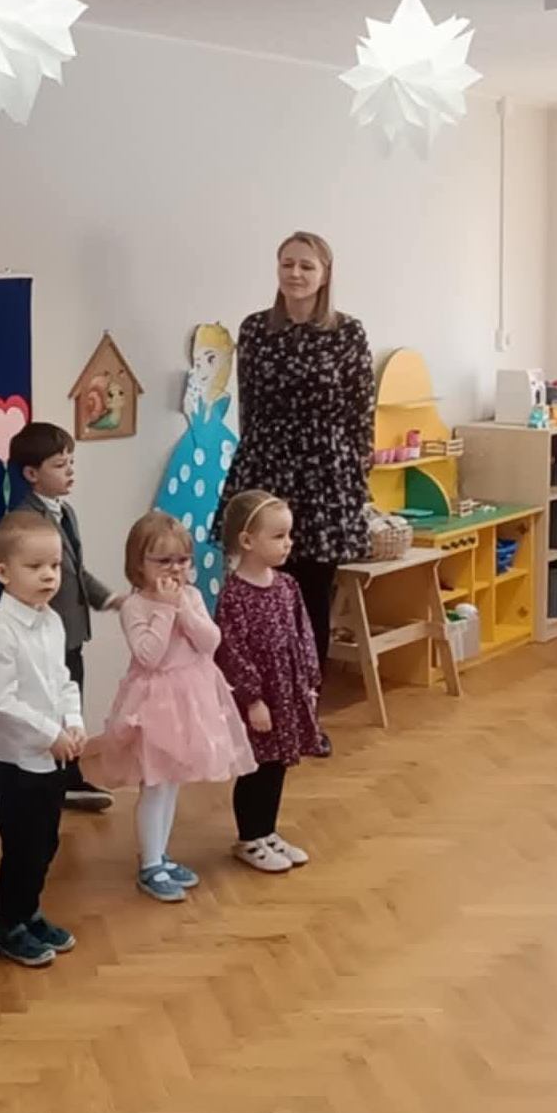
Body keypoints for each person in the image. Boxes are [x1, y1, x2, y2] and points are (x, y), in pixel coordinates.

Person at [216, 231, 375, 756]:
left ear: (325, 274)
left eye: (307, 266)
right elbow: (249, 406)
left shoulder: (347, 332)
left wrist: (355, 480)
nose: (296, 273)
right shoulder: (255, 329)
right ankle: (255, 710)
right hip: (268, 464)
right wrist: (249, 477)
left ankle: (307, 714)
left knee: (310, 599)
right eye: (287, 264)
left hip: (326, 474)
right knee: (256, 590)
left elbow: (361, 413)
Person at [99, 512, 255, 902]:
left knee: (172, 785)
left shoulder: (192, 597)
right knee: (155, 785)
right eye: (163, 560)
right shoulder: (136, 606)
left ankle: (160, 855)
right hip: (155, 705)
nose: (175, 568)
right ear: (139, 564)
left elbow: (210, 642)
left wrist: (182, 608)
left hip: (192, 699)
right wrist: (166, 610)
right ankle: (150, 864)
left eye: (182, 560)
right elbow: (148, 656)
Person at [0, 511, 82, 968]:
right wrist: (49, 732)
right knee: (23, 847)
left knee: (46, 842)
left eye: (54, 565)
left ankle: (29, 911)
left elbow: (63, 680)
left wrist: (73, 720)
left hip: (51, 756)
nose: (49, 576)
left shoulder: (52, 621)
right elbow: (0, 700)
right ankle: (8, 925)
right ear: (3, 572)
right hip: (14, 760)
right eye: (35, 567)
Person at [10, 421, 121, 812]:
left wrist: (110, 599)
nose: (70, 471)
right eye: (59, 465)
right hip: (45, 634)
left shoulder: (66, 512)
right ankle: (54, 781)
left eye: (70, 462)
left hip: (72, 632)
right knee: (49, 705)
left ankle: (71, 776)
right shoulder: (25, 520)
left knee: (71, 701)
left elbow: (75, 570)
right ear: (31, 473)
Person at [214, 491, 321, 873]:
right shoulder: (234, 595)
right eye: (278, 536)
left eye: (288, 534)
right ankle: (249, 837)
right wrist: (253, 699)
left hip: (288, 692)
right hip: (260, 699)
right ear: (247, 541)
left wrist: (309, 680)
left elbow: (303, 633)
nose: (288, 543)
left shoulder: (287, 585)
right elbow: (231, 651)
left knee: (277, 764)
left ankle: (267, 831)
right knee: (256, 766)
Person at [155, 323, 238, 610]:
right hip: (192, 474)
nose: (200, 368)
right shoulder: (194, 439)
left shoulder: (225, 442)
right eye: (198, 360)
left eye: (210, 359)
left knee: (211, 560)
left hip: (211, 477)